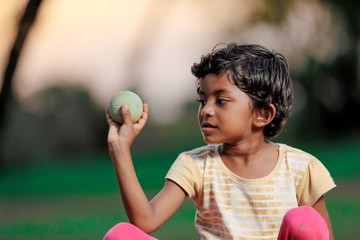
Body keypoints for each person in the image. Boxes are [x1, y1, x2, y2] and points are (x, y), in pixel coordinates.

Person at [104, 43, 336, 240]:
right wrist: (119, 149)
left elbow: (318, 233)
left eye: (221, 101)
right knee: (121, 235)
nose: (206, 110)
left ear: (262, 114)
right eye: (202, 100)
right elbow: (145, 221)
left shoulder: (301, 168)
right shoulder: (195, 165)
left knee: (303, 220)